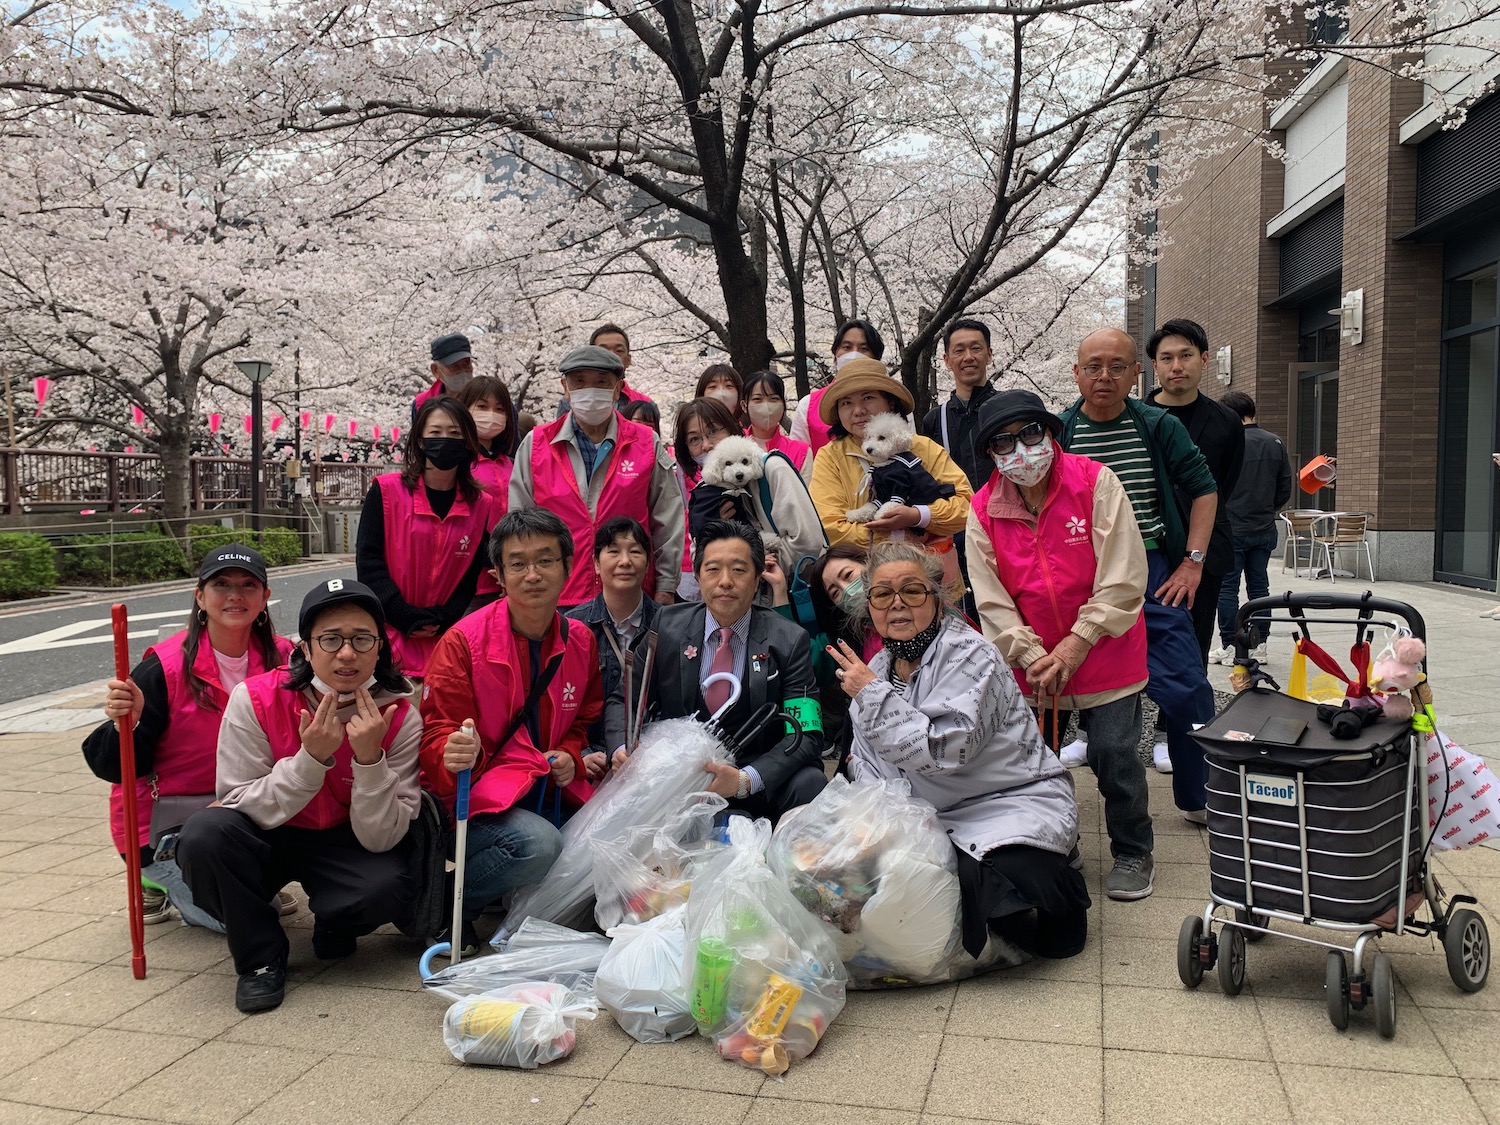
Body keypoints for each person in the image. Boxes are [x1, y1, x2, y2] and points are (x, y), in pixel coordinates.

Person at [828, 540, 1090, 959]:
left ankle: (1059, 869)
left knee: (1017, 898)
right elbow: (868, 764)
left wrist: (872, 697)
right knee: (853, 881)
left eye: (912, 591)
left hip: (1005, 800)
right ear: (869, 607)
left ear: (936, 597)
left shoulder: (971, 654)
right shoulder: (875, 670)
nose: (897, 604)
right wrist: (875, 828)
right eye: (882, 594)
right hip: (927, 815)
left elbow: (945, 749)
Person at [176, 578, 422, 1013]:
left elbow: (382, 839)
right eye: (329, 639)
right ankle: (260, 959)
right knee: (203, 838)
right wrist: (311, 759)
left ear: (380, 648)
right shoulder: (254, 698)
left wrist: (369, 761)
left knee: (388, 887)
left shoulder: (400, 715)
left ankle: (335, 918)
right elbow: (234, 799)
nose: (346, 653)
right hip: (267, 834)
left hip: (345, 838)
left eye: (362, 639)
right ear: (305, 649)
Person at [965, 390, 1157, 900]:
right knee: (1036, 763)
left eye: (1031, 433)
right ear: (990, 454)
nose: (1022, 450)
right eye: (1004, 442)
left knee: (1115, 755)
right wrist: (1028, 654)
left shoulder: (1095, 483)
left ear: (1050, 434)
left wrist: (1077, 642)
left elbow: (1123, 573)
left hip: (1106, 650)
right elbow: (991, 599)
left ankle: (1134, 849)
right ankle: (1055, 841)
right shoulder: (982, 508)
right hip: (1034, 667)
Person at [83, 545, 296, 927]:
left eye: (249, 585)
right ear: (200, 596)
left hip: (248, 810)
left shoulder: (286, 658)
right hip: (168, 829)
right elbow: (115, 767)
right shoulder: (163, 668)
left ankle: (247, 869)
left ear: (265, 597)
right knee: (239, 920)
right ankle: (155, 880)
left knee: (261, 896)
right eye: (221, 584)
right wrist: (124, 722)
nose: (235, 595)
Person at [420, 509, 603, 952]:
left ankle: (514, 891)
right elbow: (436, 735)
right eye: (517, 564)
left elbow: (584, 718)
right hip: (477, 799)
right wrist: (452, 750)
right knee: (537, 846)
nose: (532, 574)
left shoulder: (581, 639)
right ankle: (450, 903)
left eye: (545, 560)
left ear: (568, 565)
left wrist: (569, 753)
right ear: (497, 575)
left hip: (546, 788)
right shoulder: (463, 642)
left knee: (613, 833)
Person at [1058, 328, 1218, 824]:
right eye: (1093, 366)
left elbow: (1204, 489)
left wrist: (1192, 561)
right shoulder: (1060, 431)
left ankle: (1199, 797)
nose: (1104, 376)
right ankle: (1038, 799)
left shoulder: (1158, 425)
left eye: (1117, 366)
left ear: (1135, 373)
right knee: (1057, 684)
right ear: (1076, 372)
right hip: (1080, 571)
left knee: (1187, 686)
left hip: (1151, 568)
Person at [606, 520, 828, 822]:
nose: (725, 581)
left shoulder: (790, 640)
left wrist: (745, 780)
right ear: (697, 576)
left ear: (756, 578)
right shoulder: (666, 626)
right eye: (713, 569)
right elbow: (624, 700)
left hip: (757, 775)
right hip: (680, 777)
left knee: (810, 782)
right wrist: (622, 749)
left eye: (738, 570)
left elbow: (806, 734)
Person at [511, 344, 684, 609]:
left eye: (601, 383)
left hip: (630, 594)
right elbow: (518, 522)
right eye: (579, 382)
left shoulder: (646, 443)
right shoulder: (537, 445)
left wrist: (666, 586)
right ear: (565, 388)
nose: (589, 391)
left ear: (617, 389)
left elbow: (667, 519)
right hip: (557, 597)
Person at [357, 397, 496, 680]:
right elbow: (369, 562)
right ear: (419, 439)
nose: (445, 440)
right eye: (435, 432)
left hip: (444, 639)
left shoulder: (481, 504)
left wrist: (445, 617)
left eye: (455, 433)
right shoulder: (385, 492)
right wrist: (403, 615)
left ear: (468, 441)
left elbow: (470, 574)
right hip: (387, 637)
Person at [1144, 318, 1244, 669]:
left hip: (1204, 550)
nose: (1176, 366)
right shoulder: (1137, 417)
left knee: (1195, 640)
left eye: (1185, 356)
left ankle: (1183, 723)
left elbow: (1222, 484)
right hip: (1145, 546)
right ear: (1154, 365)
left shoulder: (1225, 421)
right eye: (1166, 358)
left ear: (1204, 360)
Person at [810, 357, 972, 554]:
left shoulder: (922, 447)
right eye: (846, 403)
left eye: (868, 398)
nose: (859, 411)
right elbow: (829, 526)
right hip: (860, 577)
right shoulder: (830, 457)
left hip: (932, 576)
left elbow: (966, 506)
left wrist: (918, 516)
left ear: (890, 402)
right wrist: (899, 537)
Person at [676, 397, 827, 582]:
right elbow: (697, 558)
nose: (706, 445)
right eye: (694, 439)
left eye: (713, 431)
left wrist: (754, 570)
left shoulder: (773, 468)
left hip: (791, 587)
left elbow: (807, 540)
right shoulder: (704, 491)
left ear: (731, 427)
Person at [567, 517, 659, 761]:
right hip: (589, 759)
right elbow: (562, 706)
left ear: (648, 564)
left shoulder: (668, 624)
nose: (625, 561)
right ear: (596, 564)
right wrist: (581, 755)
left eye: (635, 552)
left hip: (650, 759)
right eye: (614, 552)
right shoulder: (573, 627)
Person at [1213, 391, 1292, 663]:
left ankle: (1230, 645)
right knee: (1259, 588)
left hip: (1230, 528)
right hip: (1263, 527)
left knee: (1227, 589)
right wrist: (1269, 509)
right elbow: (1284, 488)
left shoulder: (1225, 444)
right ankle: (1260, 644)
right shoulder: (1275, 442)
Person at [457, 376, 518, 610]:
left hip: (510, 579)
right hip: (472, 581)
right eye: (482, 407)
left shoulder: (511, 463)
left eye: (499, 409)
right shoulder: (459, 463)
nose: (491, 414)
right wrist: (495, 561)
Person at [922, 318, 999, 491]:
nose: (968, 357)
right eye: (959, 351)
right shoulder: (935, 420)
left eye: (976, 348)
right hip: (959, 515)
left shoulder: (1008, 408)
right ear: (947, 361)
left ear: (989, 355)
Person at [789, 319, 886, 454]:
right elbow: (798, 460)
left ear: (876, 358)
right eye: (847, 347)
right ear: (835, 355)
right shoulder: (808, 406)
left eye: (864, 349)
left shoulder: (892, 399)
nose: (854, 354)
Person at [554, 325, 655, 417]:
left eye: (619, 350)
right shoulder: (572, 401)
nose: (611, 356)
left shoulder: (644, 403)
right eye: (603, 351)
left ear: (628, 359)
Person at [743, 370, 812, 477]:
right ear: (744, 406)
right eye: (757, 399)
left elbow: (803, 492)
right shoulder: (732, 445)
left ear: (783, 404)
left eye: (774, 399)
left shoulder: (801, 451)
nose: (766, 405)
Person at [414, 333, 475, 420]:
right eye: (454, 366)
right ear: (436, 370)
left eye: (466, 364)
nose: (462, 371)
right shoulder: (421, 403)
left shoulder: (487, 399)